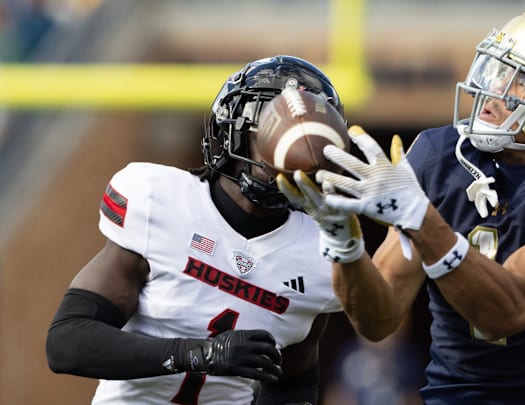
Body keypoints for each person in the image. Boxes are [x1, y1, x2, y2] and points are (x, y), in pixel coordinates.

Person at [278, 4, 525, 404]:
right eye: (499, 68)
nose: (494, 88)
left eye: (522, 79)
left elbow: (506, 310)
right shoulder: (442, 156)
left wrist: (421, 218)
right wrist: (344, 248)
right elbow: (379, 318)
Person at [45, 55, 346, 405]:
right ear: (234, 126)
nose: (284, 146)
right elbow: (67, 341)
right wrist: (202, 354)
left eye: (302, 134)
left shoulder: (320, 252)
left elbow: (293, 385)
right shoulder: (160, 199)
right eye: (273, 126)